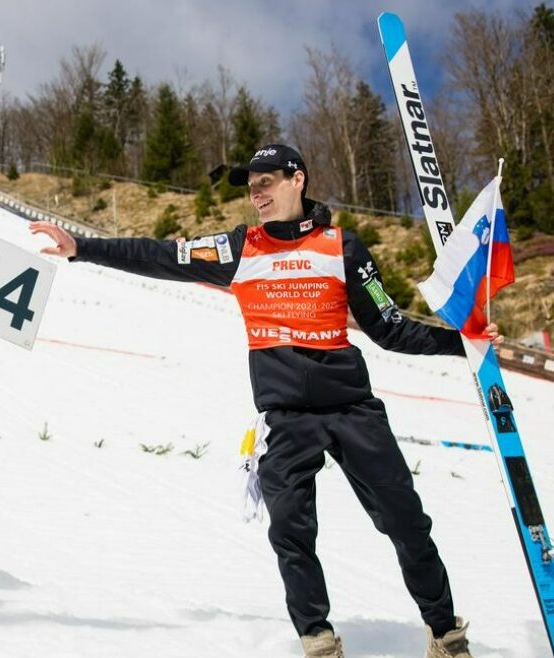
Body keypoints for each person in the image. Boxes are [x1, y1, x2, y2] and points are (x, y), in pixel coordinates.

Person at [30, 144, 502, 658]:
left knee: (406, 521)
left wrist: (463, 342)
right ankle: (318, 639)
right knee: (292, 532)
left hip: (352, 408)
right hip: (285, 415)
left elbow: (390, 329)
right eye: (250, 186)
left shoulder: (344, 248)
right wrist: (83, 248)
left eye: (266, 182)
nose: (256, 194)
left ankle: (444, 632)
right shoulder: (239, 249)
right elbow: (162, 256)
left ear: (297, 179)